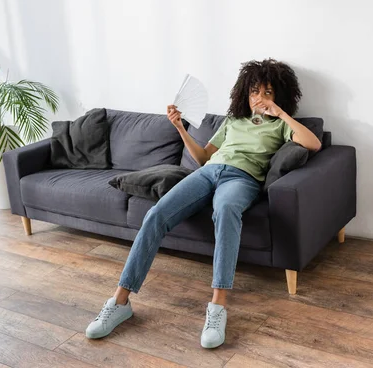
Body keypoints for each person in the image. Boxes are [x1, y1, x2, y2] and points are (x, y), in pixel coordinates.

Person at [85, 58, 321, 348]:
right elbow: (203, 158)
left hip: (242, 179)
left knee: (226, 210)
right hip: (208, 172)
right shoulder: (232, 121)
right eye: (254, 91)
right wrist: (181, 129)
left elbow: (313, 144)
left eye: (267, 92)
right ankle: (120, 301)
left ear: (279, 96)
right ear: (244, 94)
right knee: (156, 214)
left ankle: (217, 307)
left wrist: (280, 113)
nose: (259, 98)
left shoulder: (281, 126)